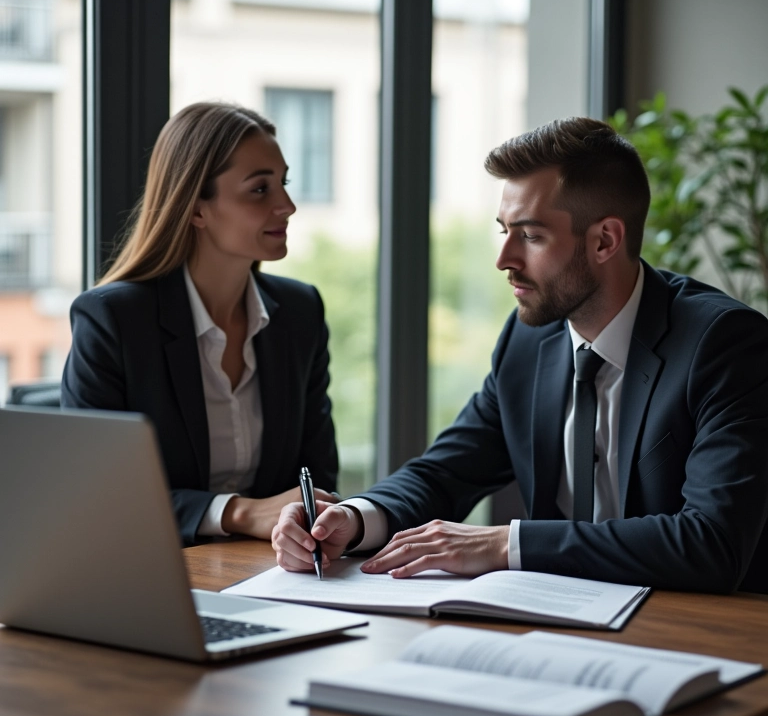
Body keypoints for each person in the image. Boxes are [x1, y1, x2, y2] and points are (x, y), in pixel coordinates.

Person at [272, 116, 768, 594]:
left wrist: (504, 543)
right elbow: (447, 471)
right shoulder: (530, 340)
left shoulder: (725, 344)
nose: (504, 259)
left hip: (699, 633)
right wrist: (355, 519)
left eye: (530, 236)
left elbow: (712, 543)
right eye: (503, 230)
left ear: (605, 240)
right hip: (556, 621)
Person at [62, 102, 339, 546]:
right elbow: (100, 496)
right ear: (196, 209)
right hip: (152, 574)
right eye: (259, 189)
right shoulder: (112, 320)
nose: (286, 205)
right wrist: (240, 512)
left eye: (283, 184)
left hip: (273, 575)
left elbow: (316, 475)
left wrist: (312, 526)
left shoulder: (299, 312)